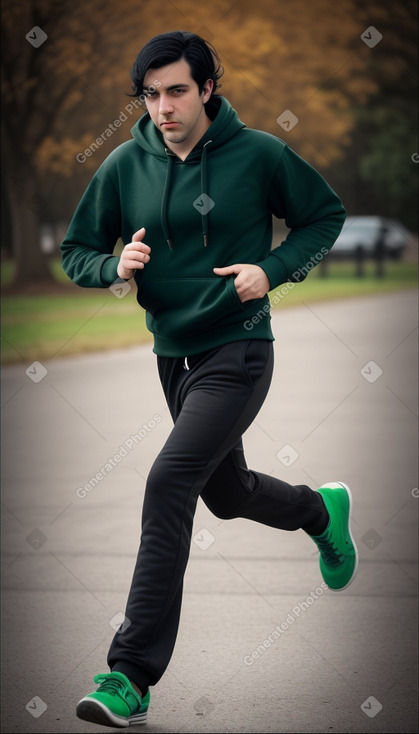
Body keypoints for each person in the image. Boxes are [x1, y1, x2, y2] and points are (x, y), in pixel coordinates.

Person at [61, 30, 358, 728]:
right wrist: (114, 268)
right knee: (224, 494)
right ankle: (319, 511)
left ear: (207, 91)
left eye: (176, 91)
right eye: (150, 93)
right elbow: (77, 249)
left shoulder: (258, 154)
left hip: (239, 347)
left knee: (169, 481)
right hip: (174, 355)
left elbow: (324, 216)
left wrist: (273, 270)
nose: (161, 106)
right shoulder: (124, 164)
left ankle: (128, 673)